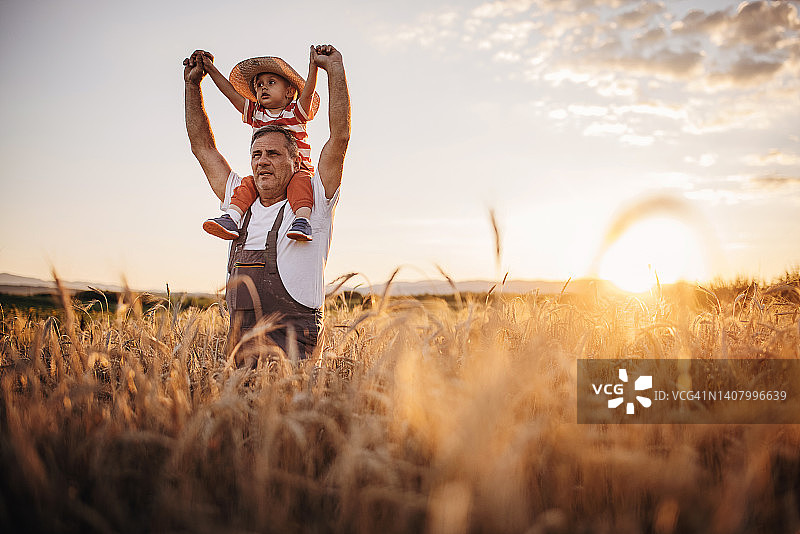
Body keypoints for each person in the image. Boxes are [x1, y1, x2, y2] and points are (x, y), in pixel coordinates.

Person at [183, 45, 350, 362]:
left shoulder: (316, 198)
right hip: (240, 350)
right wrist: (192, 86)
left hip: (295, 350)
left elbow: (339, 137)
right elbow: (202, 147)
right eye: (256, 155)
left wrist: (335, 69)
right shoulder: (239, 199)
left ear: (295, 159)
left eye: (273, 154)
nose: (262, 162)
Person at [200, 48, 320, 242]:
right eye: (259, 85)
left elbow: (308, 94)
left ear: (290, 91)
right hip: (267, 173)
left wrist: (313, 67)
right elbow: (230, 94)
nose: (263, 88)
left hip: (297, 169)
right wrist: (210, 69)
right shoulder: (256, 113)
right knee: (248, 184)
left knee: (301, 184)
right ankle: (232, 218)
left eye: (271, 83)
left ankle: (302, 221)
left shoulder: (296, 112)